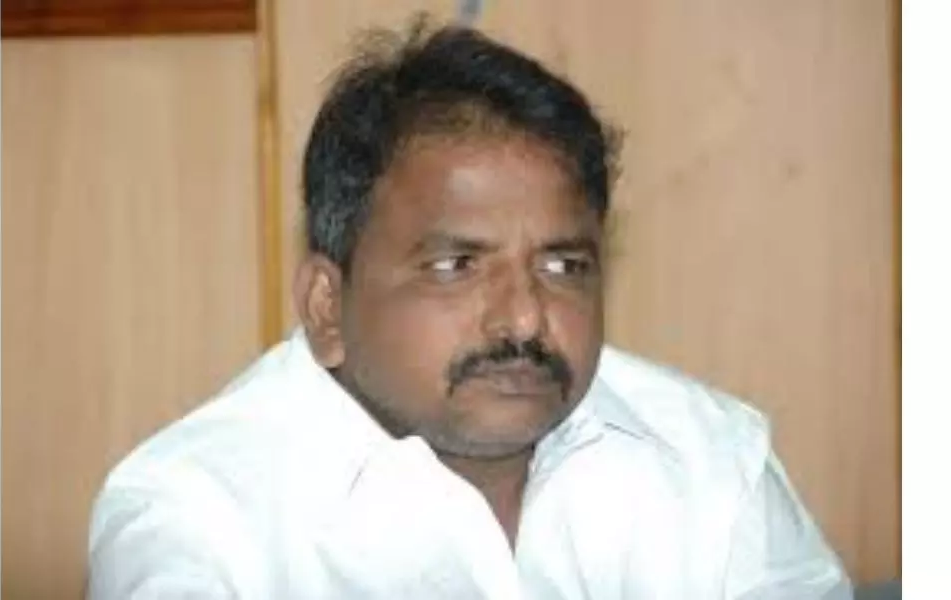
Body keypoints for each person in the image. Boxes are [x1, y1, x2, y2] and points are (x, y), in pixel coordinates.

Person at [87, 20, 852, 599]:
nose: (524, 320)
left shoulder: (710, 462)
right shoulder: (196, 519)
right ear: (327, 308)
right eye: (455, 267)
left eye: (563, 266)